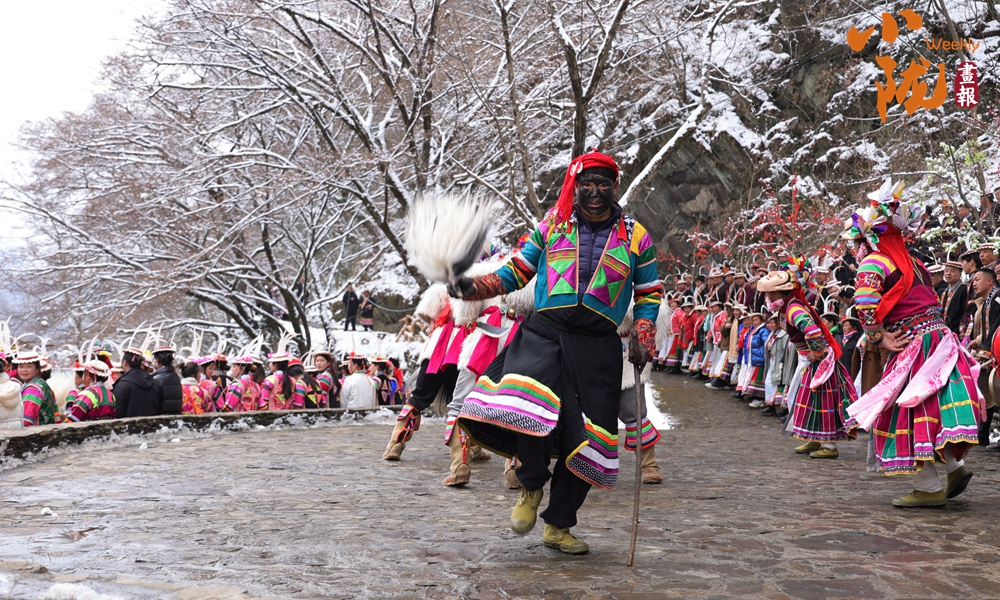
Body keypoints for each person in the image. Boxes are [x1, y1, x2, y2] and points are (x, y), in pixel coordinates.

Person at [453, 150, 661, 555]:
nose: (595, 192)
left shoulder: (636, 236)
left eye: (604, 184)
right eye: (588, 184)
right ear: (576, 186)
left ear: (615, 187)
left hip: (598, 346)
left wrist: (643, 332)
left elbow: (649, 292)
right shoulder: (554, 223)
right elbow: (518, 270)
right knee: (529, 406)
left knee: (592, 436)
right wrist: (476, 287)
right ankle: (531, 484)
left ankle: (559, 524)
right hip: (545, 334)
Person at [843, 179, 983, 508]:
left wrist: (877, 335)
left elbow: (864, 303)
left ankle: (928, 487)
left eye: (856, 241)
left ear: (868, 238)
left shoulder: (875, 262)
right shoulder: (914, 262)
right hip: (939, 339)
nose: (855, 249)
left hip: (912, 343)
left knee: (904, 410)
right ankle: (954, 467)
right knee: (931, 405)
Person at [757, 257, 858, 459]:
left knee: (821, 401)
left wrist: (817, 352)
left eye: (772, 293)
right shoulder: (788, 306)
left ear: (783, 292)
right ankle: (814, 437)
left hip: (819, 362)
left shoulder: (793, 309)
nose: (768, 296)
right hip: (809, 359)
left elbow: (812, 331)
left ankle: (829, 446)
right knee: (805, 399)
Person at [967, 268, 1000, 449]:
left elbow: (996, 325)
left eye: (977, 279)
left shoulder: (997, 297)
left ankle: (985, 435)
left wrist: (985, 348)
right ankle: (982, 435)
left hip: (996, 350)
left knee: (994, 392)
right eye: (973, 280)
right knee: (987, 392)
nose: (974, 283)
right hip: (989, 349)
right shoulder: (985, 302)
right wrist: (979, 342)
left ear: (989, 281)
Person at [114, 348, 163, 418]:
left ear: (124, 363)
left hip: (129, 424)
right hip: (152, 424)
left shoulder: (122, 385)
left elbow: (118, 412)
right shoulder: (154, 382)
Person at [13, 351, 57, 427]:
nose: (24, 370)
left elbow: (26, 420)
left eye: (29, 366)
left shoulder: (32, 389)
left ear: (37, 369)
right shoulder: (41, 383)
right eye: (21, 366)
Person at [744, 313, 770, 408]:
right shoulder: (754, 330)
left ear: (761, 321)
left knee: (759, 379)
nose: (754, 322)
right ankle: (755, 396)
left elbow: (766, 344)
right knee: (754, 378)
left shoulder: (763, 331)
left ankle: (760, 398)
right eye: (753, 320)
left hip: (760, 358)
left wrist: (762, 355)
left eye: (757, 320)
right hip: (754, 357)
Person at [152, 344, 183, 415]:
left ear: (157, 360)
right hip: (176, 418)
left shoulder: (156, 379)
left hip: (161, 419)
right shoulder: (176, 377)